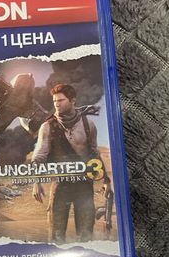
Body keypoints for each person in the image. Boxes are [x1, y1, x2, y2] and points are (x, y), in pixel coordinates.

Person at [31, 84, 111, 243]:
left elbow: (94, 154)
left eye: (61, 100)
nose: (56, 104)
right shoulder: (47, 126)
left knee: (86, 234)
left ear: (72, 101)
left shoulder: (88, 125)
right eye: (54, 101)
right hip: (61, 185)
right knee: (56, 235)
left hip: (84, 185)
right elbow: (39, 156)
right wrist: (36, 182)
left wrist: (106, 181)